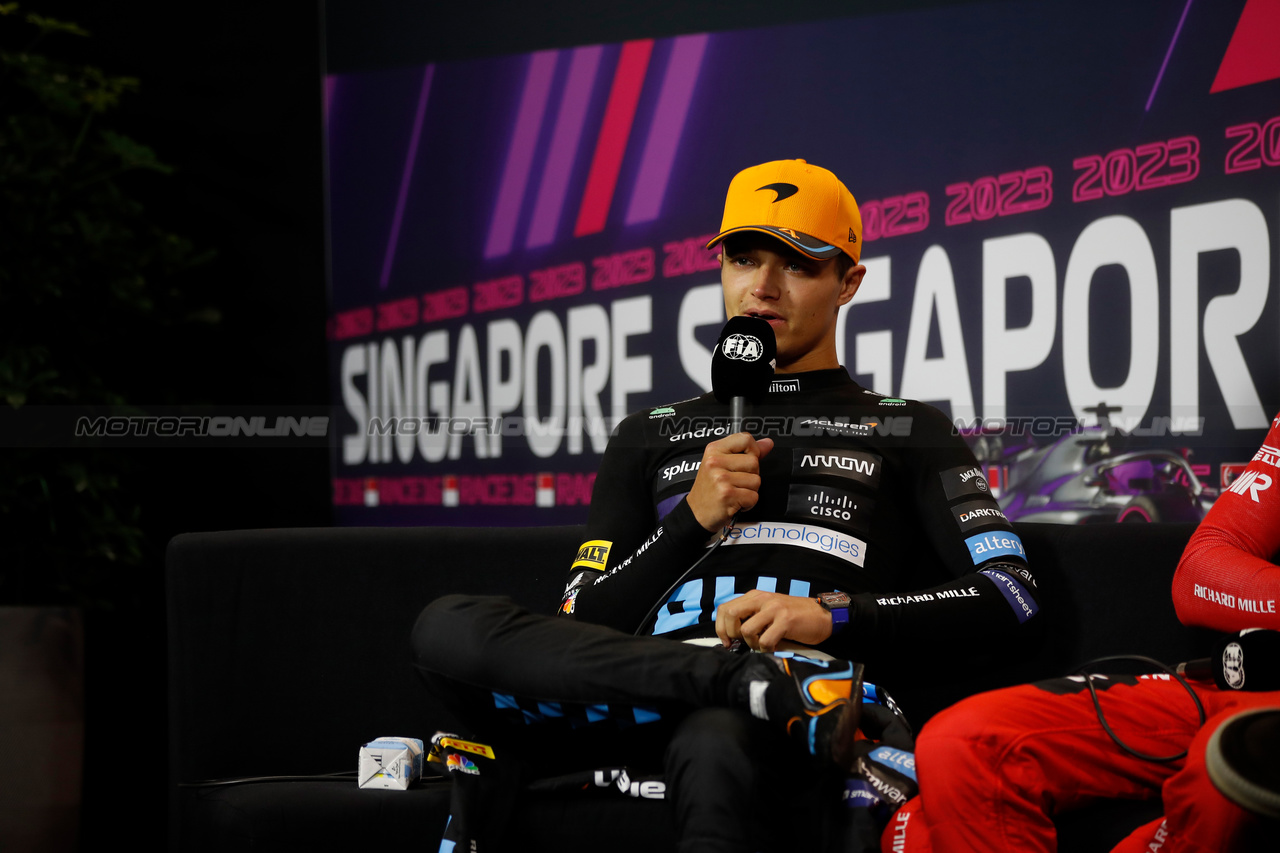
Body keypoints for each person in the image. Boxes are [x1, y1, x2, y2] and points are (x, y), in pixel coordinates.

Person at [412, 159, 1044, 853]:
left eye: (797, 265)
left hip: (791, 713)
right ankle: (744, 682)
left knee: (717, 735)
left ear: (848, 283)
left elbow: (1009, 593)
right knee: (445, 627)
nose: (762, 289)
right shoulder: (649, 432)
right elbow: (581, 622)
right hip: (644, 690)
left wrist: (831, 615)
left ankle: (769, 691)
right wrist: (690, 522)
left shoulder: (907, 428)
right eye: (743, 259)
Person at [888, 414, 1280, 853]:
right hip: (1242, 679)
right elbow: (1198, 577)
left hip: (1253, 725)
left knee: (1227, 774)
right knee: (963, 743)